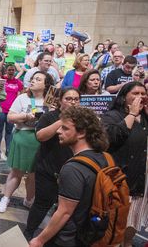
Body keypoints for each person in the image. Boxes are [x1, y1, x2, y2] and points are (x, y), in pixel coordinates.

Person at [29, 106, 110, 247]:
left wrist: (40, 240)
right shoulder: (105, 157)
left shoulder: (73, 168)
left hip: (68, 239)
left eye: (65, 128)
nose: (59, 131)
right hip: (91, 234)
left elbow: (64, 212)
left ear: (81, 133)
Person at [24, 88, 80, 240]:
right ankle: (29, 231)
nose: (73, 102)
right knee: (42, 203)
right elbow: (40, 136)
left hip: (72, 171)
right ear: (60, 100)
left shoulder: (82, 118)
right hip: (48, 168)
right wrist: (63, 120)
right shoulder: (50, 116)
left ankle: (55, 235)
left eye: (76, 99)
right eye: (68, 99)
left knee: (65, 207)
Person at [0, 71, 54, 213]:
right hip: (23, 137)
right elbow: (10, 117)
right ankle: (5, 198)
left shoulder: (51, 100)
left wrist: (53, 112)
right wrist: (25, 116)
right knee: (16, 172)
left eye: (38, 79)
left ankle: (29, 199)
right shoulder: (23, 98)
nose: (33, 81)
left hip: (41, 140)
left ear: (46, 84)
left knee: (34, 174)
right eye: (33, 78)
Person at [101, 81, 148, 246]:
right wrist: (132, 114)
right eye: (135, 93)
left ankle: (127, 243)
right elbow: (110, 139)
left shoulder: (145, 117)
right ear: (124, 96)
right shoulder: (113, 115)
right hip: (119, 180)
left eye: (143, 94)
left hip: (140, 180)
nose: (140, 97)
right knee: (114, 223)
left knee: (133, 219)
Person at [0, 64, 23, 180]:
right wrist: (4, 60)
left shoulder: (18, 83)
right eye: (9, 70)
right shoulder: (2, 80)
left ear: (15, 71)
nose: (11, 71)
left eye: (13, 70)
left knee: (9, 132)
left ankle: (9, 152)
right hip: (1, 109)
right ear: (6, 71)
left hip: (12, 111)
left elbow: (20, 95)